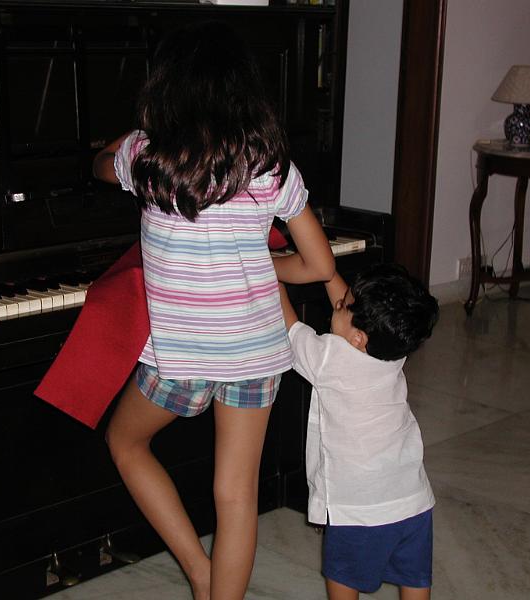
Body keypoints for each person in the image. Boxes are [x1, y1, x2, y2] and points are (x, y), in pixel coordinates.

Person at [92, 21, 335, 600]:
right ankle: (216, 588)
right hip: (256, 355)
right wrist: (253, 264)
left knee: (125, 443)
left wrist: (129, 137)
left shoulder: (146, 157)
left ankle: (199, 572)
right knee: (237, 495)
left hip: (180, 358)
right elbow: (319, 265)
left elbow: (101, 164)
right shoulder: (270, 166)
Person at [278, 263, 439, 600]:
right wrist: (327, 272)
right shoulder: (394, 351)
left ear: (358, 338)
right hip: (413, 500)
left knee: (343, 577)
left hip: (357, 508)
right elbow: (353, 311)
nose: (337, 304)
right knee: (414, 577)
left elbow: (290, 328)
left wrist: (266, 273)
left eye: (342, 305)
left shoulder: (329, 359)